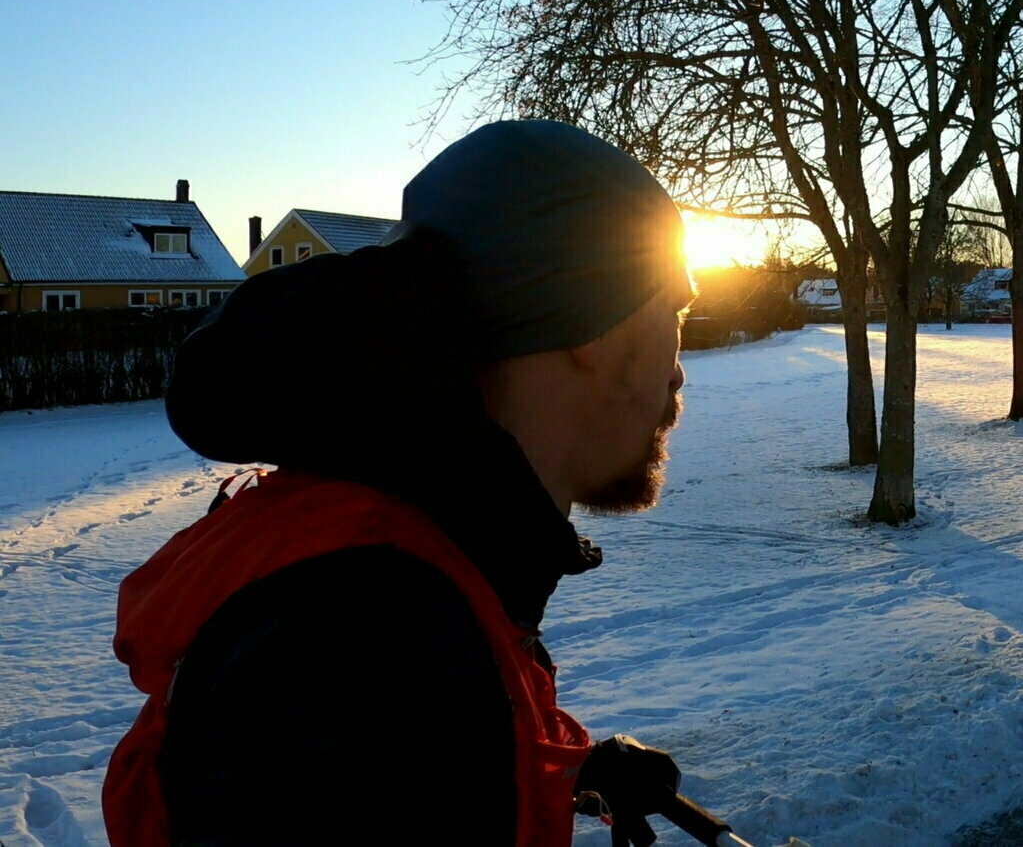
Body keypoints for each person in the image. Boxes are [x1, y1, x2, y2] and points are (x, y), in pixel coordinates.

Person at [104, 121, 695, 846]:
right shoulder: (369, 649)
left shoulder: (411, 566)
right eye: (672, 312)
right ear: (591, 321)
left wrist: (548, 777)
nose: (677, 367)